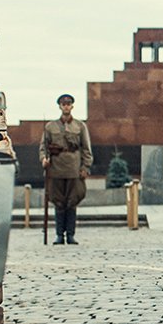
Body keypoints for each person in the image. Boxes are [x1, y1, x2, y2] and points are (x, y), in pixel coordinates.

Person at [40, 94, 93, 245]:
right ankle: (59, 235)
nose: (66, 106)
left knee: (72, 202)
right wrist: (44, 159)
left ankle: (70, 234)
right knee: (58, 203)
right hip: (56, 169)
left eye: (68, 104)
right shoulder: (50, 127)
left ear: (72, 106)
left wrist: (85, 167)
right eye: (63, 104)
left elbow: (86, 149)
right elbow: (43, 147)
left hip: (74, 169)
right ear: (59, 106)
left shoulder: (80, 126)